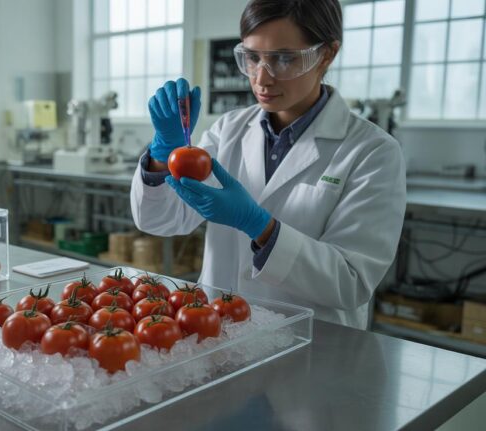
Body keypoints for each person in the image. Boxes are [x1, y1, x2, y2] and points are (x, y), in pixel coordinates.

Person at [130, 0, 406, 329]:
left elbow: (351, 282)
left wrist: (261, 227)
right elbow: (161, 221)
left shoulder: (372, 152)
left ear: (327, 54)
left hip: (310, 345)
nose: (262, 78)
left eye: (284, 59)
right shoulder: (227, 130)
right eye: (252, 57)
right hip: (217, 334)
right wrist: (163, 156)